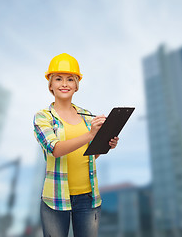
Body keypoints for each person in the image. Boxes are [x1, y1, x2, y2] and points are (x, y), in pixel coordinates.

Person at [33, 53, 119, 237]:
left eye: (70, 79)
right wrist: (90, 134)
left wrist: (105, 144)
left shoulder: (86, 115)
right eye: (58, 79)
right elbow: (55, 150)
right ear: (50, 84)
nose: (64, 84)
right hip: (55, 199)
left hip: (88, 197)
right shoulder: (43, 117)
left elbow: (90, 155)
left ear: (76, 85)